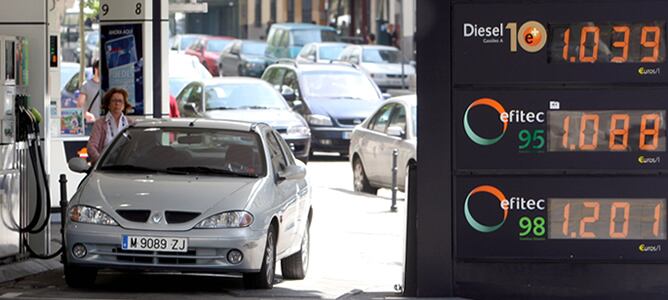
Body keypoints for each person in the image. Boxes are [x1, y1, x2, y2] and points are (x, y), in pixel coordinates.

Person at [86, 88, 133, 164]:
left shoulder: (130, 123)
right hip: (104, 167)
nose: (117, 104)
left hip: (126, 165)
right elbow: (91, 147)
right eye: (114, 101)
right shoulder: (100, 123)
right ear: (108, 105)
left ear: (124, 105)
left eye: (120, 101)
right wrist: (101, 162)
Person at [77, 59, 101, 134]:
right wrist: (86, 115)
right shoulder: (87, 85)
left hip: (105, 124)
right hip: (92, 125)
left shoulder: (106, 86)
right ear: (96, 69)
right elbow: (79, 105)